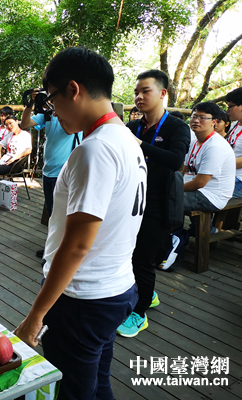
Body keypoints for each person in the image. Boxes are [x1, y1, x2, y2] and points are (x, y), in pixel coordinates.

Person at [14, 47, 145, 400]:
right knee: (97, 382)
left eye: (52, 99)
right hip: (116, 288)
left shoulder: (94, 150)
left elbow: (77, 246)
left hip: (83, 298)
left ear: (73, 90)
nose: (52, 110)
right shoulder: (126, 139)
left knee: (73, 391)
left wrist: (35, 316)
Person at [116, 69, 190, 338]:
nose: (138, 96)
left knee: (143, 259)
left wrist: (139, 144)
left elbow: (175, 161)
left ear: (162, 93)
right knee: (127, 254)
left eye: (145, 91)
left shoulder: (177, 127)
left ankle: (140, 312)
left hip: (158, 204)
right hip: (130, 201)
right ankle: (147, 293)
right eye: (136, 92)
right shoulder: (132, 126)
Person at [161, 102, 236, 270]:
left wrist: (172, 189)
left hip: (212, 195)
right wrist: (172, 184)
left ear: (214, 122)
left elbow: (201, 182)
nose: (196, 120)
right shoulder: (195, 141)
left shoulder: (215, 146)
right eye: (194, 116)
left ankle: (172, 242)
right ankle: (173, 238)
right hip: (197, 189)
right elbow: (185, 169)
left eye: (202, 117)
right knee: (163, 194)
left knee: (166, 199)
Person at [21, 90, 82, 258]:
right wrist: (30, 104)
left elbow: (70, 130)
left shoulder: (72, 113)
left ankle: (60, 252)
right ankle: (53, 247)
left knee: (62, 214)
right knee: (53, 213)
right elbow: (24, 124)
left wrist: (57, 110)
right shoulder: (47, 114)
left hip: (64, 171)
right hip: (48, 171)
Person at [226, 88, 242, 198]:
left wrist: (220, 165)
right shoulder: (236, 124)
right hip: (229, 175)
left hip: (239, 179)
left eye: (230, 106)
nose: (228, 111)